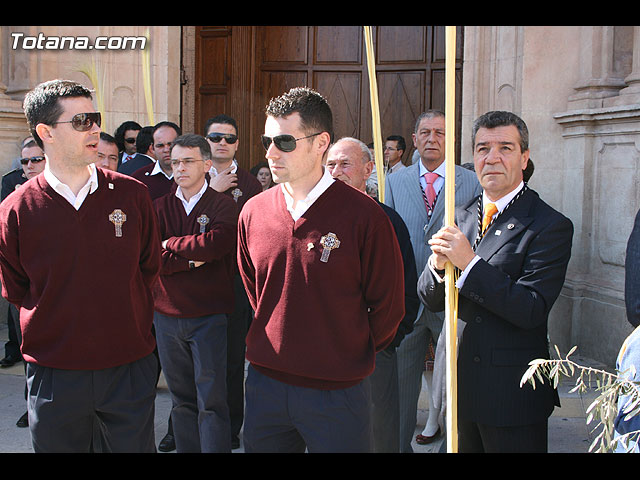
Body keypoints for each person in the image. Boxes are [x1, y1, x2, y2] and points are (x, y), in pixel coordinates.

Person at [237, 87, 405, 453]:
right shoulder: (253, 211)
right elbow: (257, 291)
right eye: (267, 140)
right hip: (266, 385)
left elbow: (388, 306)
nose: (270, 152)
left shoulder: (365, 216)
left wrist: (344, 351)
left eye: (284, 140)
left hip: (338, 391)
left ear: (320, 143)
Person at [0, 79, 161, 453]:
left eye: (96, 118)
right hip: (54, 374)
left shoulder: (132, 195)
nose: (95, 129)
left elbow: (149, 268)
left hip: (128, 368)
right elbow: (17, 288)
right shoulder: (16, 209)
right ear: (45, 132)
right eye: (81, 121)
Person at [419, 110, 574, 452]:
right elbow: (430, 299)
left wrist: (469, 264)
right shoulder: (458, 215)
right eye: (482, 148)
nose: (492, 158)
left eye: (505, 147)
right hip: (459, 390)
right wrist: (437, 265)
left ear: (524, 157)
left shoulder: (549, 225)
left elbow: (531, 308)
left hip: (511, 394)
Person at [385, 110, 481, 452]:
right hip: (408, 299)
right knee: (399, 386)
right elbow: (389, 239)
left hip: (451, 297)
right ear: (414, 139)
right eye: (425, 132)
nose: (432, 139)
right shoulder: (394, 182)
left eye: (440, 132)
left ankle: (451, 446)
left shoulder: (469, 181)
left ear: (449, 139)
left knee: (454, 382)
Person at [325, 136, 418, 452]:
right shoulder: (312, 220)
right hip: (322, 355)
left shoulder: (388, 221)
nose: (336, 171)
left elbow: (406, 288)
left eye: (345, 164)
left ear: (368, 169)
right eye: (331, 164)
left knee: (378, 436)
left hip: (373, 352)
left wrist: (387, 341)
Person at [152, 133, 238, 452]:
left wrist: (171, 244)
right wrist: (192, 261)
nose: (180, 168)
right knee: (181, 400)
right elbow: (150, 257)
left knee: (212, 399)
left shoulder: (224, 206)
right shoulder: (158, 207)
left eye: (188, 161)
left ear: (206, 164)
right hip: (167, 317)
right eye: (175, 162)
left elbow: (216, 245)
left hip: (208, 316)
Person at [204, 113, 262, 449]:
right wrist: (212, 192)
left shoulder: (251, 184)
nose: (221, 143)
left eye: (228, 138)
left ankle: (230, 428)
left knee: (229, 365)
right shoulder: (193, 175)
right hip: (196, 286)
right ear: (206, 141)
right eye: (215, 137)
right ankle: (182, 427)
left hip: (235, 287)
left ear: (238, 144)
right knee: (196, 365)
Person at [132, 121, 181, 200]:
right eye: (160, 146)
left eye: (170, 144)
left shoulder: (195, 175)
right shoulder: (138, 179)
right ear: (152, 148)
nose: (166, 150)